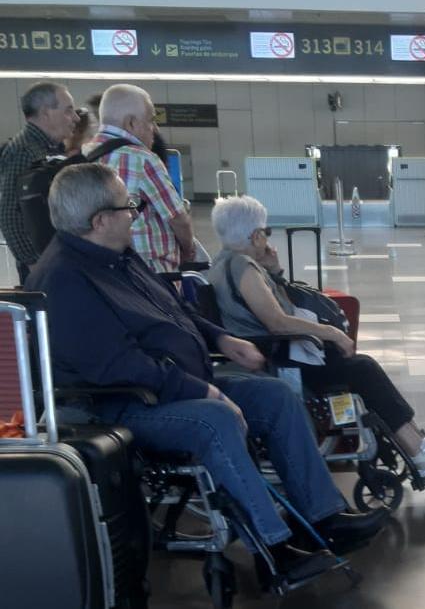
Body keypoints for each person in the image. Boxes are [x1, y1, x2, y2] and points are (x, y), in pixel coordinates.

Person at [26, 163, 386, 583]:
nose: (136, 214)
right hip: (124, 405)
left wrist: (219, 338)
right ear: (100, 221)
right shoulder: (64, 280)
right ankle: (275, 551)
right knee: (214, 422)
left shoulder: (118, 257)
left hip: (178, 385)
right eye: (129, 207)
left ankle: (324, 518)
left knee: (276, 397)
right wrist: (201, 390)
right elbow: (118, 366)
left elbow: (174, 311)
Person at [207, 196, 425, 479]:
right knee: (362, 369)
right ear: (256, 235)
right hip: (279, 358)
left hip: (275, 353)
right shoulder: (243, 267)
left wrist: (275, 272)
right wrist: (331, 332)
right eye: (266, 232)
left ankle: (418, 438)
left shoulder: (222, 263)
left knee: (360, 365)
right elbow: (277, 322)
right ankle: (419, 451)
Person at [86, 84, 194, 273]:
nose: (155, 128)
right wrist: (188, 250)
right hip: (151, 274)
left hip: (102, 271)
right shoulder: (143, 159)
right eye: (151, 120)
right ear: (131, 123)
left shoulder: (82, 155)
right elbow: (178, 218)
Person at [0, 81, 79, 282]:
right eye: (68, 110)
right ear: (46, 113)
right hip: (43, 266)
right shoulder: (25, 152)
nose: (75, 118)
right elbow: (10, 214)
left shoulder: (47, 149)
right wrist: (36, 264)